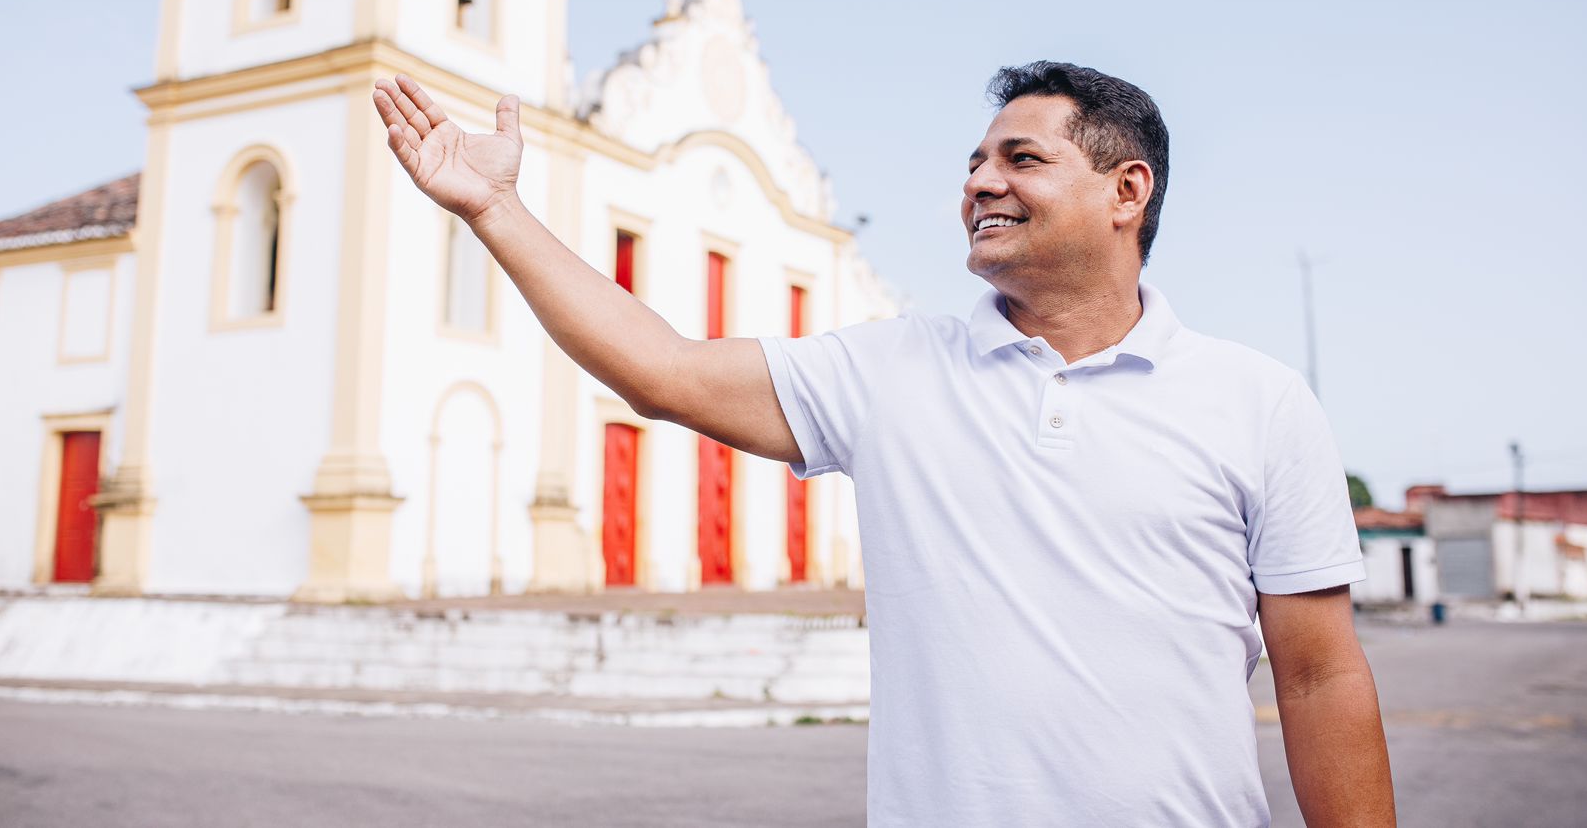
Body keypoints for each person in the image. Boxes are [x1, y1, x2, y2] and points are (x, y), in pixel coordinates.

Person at [371, 62, 1396, 827]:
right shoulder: (892, 369)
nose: (979, 182)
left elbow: (1319, 679)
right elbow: (663, 372)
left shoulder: (1258, 402)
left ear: (1127, 192)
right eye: (973, 162)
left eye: (1020, 158)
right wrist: (495, 208)